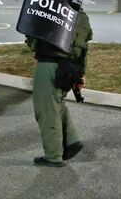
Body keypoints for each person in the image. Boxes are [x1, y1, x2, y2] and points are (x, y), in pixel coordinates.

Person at [27, 9, 92, 167]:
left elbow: (33, 42)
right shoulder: (81, 16)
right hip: (69, 67)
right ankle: (71, 141)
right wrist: (80, 74)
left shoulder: (51, 9)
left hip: (48, 64)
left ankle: (53, 156)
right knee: (57, 104)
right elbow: (83, 48)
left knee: (47, 110)